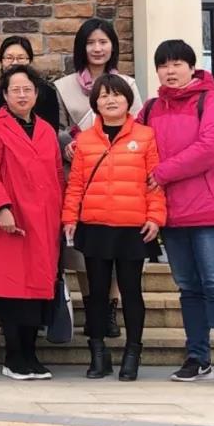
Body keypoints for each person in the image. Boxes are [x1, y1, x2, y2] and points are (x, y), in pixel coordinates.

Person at [139, 39, 214, 389]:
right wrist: (78, 140)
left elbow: (213, 145)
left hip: (213, 211)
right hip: (173, 214)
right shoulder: (151, 109)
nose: (170, 71)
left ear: (191, 67)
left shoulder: (211, 101)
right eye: (163, 65)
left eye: (177, 64)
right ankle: (197, 358)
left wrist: (164, 172)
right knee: (188, 289)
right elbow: (128, 138)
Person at [62, 74, 166, 381]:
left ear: (128, 100)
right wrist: (69, 218)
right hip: (95, 225)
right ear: (95, 103)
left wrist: (155, 217)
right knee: (96, 293)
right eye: (104, 95)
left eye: (116, 95)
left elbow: (154, 182)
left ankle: (133, 353)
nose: (110, 100)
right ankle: (98, 353)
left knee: (131, 292)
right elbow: (76, 184)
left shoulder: (145, 136)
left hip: (133, 226)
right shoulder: (84, 140)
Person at [0, 65, 64, 381]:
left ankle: (31, 354)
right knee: (10, 288)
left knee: (38, 288)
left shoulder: (47, 130)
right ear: (5, 95)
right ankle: (14, 356)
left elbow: (57, 174)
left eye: (27, 90)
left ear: (36, 94)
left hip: (44, 219)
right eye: (15, 90)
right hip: (9, 218)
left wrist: (63, 214)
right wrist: (2, 208)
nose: (22, 95)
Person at [55, 19, 142, 338]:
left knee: (118, 245)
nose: (97, 48)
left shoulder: (128, 84)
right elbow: (56, 127)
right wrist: (67, 144)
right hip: (81, 176)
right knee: (82, 248)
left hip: (121, 179)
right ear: (81, 47)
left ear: (112, 46)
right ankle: (92, 306)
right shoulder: (63, 86)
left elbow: (139, 125)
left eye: (103, 42)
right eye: (91, 42)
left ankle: (110, 310)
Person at [0, 36, 61, 131]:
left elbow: (52, 131)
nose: (14, 63)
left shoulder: (47, 93)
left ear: (29, 61)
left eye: (21, 58)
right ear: (1, 61)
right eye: (9, 58)